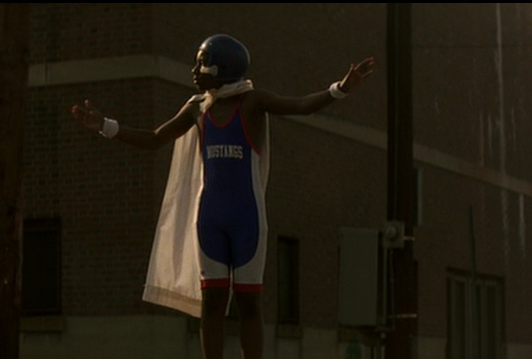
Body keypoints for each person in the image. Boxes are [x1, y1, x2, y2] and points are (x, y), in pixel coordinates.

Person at [71, 34, 374, 359]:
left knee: (248, 304)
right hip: (210, 220)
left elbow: (301, 105)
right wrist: (106, 125)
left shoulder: (253, 102)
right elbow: (155, 138)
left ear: (222, 68)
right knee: (212, 304)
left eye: (201, 62)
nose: (194, 70)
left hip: (247, 221)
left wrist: (340, 89)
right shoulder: (196, 108)